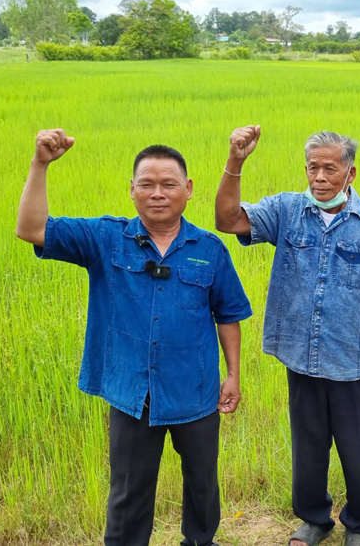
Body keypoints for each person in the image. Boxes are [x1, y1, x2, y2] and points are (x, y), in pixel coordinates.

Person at [15, 129, 252, 546]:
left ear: (188, 189)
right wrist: (40, 164)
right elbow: (32, 229)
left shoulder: (210, 249)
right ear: (131, 190)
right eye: (146, 184)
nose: (157, 193)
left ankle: (200, 541)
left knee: (202, 485)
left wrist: (233, 375)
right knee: (128, 491)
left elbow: (228, 315)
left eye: (168, 184)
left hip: (195, 391)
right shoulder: (106, 239)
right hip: (132, 392)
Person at [214, 126, 360, 546]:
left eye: (330, 169)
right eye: (313, 168)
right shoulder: (285, 210)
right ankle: (316, 519)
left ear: (350, 174)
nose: (319, 177)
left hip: (357, 362)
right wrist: (236, 162)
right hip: (301, 356)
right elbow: (228, 220)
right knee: (308, 449)